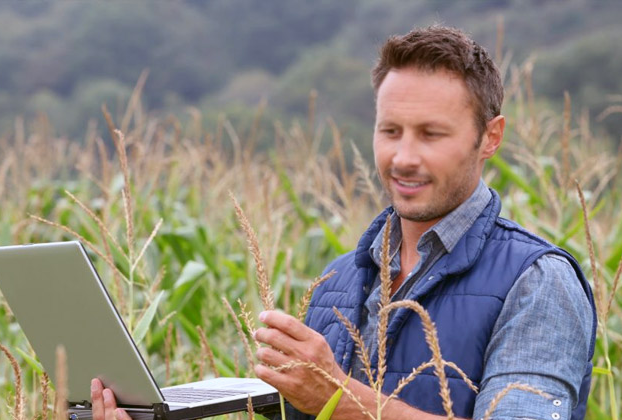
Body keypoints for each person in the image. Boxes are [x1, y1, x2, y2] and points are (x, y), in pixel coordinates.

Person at [91, 25, 596, 420]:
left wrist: (339, 395)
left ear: (490, 137)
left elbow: (335, 401)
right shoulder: (338, 280)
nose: (403, 157)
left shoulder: (537, 282)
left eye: (431, 134)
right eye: (390, 130)